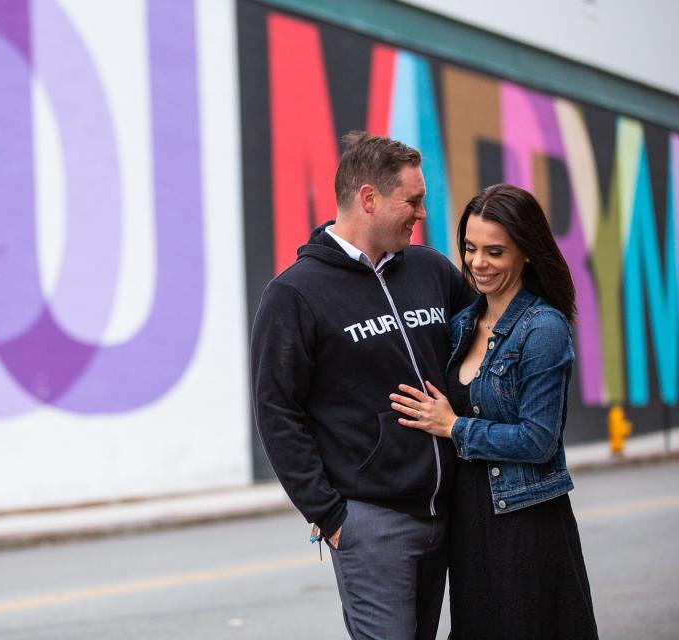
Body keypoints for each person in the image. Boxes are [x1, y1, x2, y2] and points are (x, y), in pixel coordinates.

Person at [251, 131, 474, 639]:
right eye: (411, 201)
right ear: (369, 199)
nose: (420, 213)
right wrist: (330, 515)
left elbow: (482, 344)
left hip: (447, 512)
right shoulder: (295, 294)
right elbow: (276, 411)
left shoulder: (431, 270)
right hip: (371, 522)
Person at [390, 183, 599, 639]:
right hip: (468, 518)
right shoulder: (463, 323)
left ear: (526, 252)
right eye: (469, 248)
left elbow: (538, 439)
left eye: (495, 252)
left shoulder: (543, 329)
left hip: (525, 521)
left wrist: (455, 427)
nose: (477, 263)